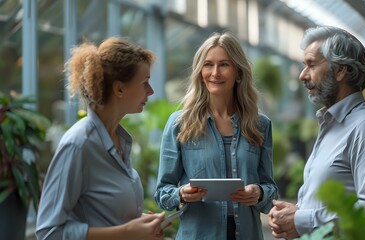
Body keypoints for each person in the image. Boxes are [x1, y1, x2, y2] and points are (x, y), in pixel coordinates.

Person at [269, 26, 365, 239]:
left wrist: (302, 220)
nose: (303, 75)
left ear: (340, 70)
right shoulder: (331, 123)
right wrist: (297, 213)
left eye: (311, 64)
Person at [36, 37, 165, 240]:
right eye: (144, 83)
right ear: (119, 89)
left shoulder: (121, 140)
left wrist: (139, 224)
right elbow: (48, 232)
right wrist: (127, 232)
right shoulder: (78, 145)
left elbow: (102, 215)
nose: (151, 91)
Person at [154, 32, 278, 240]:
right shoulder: (180, 124)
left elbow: (271, 189)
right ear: (200, 72)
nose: (215, 73)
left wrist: (259, 192)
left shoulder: (260, 125)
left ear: (238, 71)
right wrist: (182, 193)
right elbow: (162, 193)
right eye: (208, 65)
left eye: (224, 65)